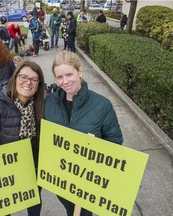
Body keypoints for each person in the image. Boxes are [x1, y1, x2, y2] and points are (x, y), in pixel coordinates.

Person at [44, 51, 123, 216]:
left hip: (88, 181)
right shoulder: (49, 103)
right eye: (59, 77)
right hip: (61, 179)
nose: (65, 81)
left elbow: (115, 142)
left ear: (80, 72)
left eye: (69, 74)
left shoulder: (102, 105)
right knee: (70, 210)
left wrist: (96, 148)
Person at [0, 60, 45, 216]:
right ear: (15, 78)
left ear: (38, 85)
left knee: (34, 201)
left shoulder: (40, 106)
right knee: (4, 209)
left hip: (33, 167)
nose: (28, 83)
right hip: (5, 172)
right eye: (23, 77)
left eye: (34, 79)